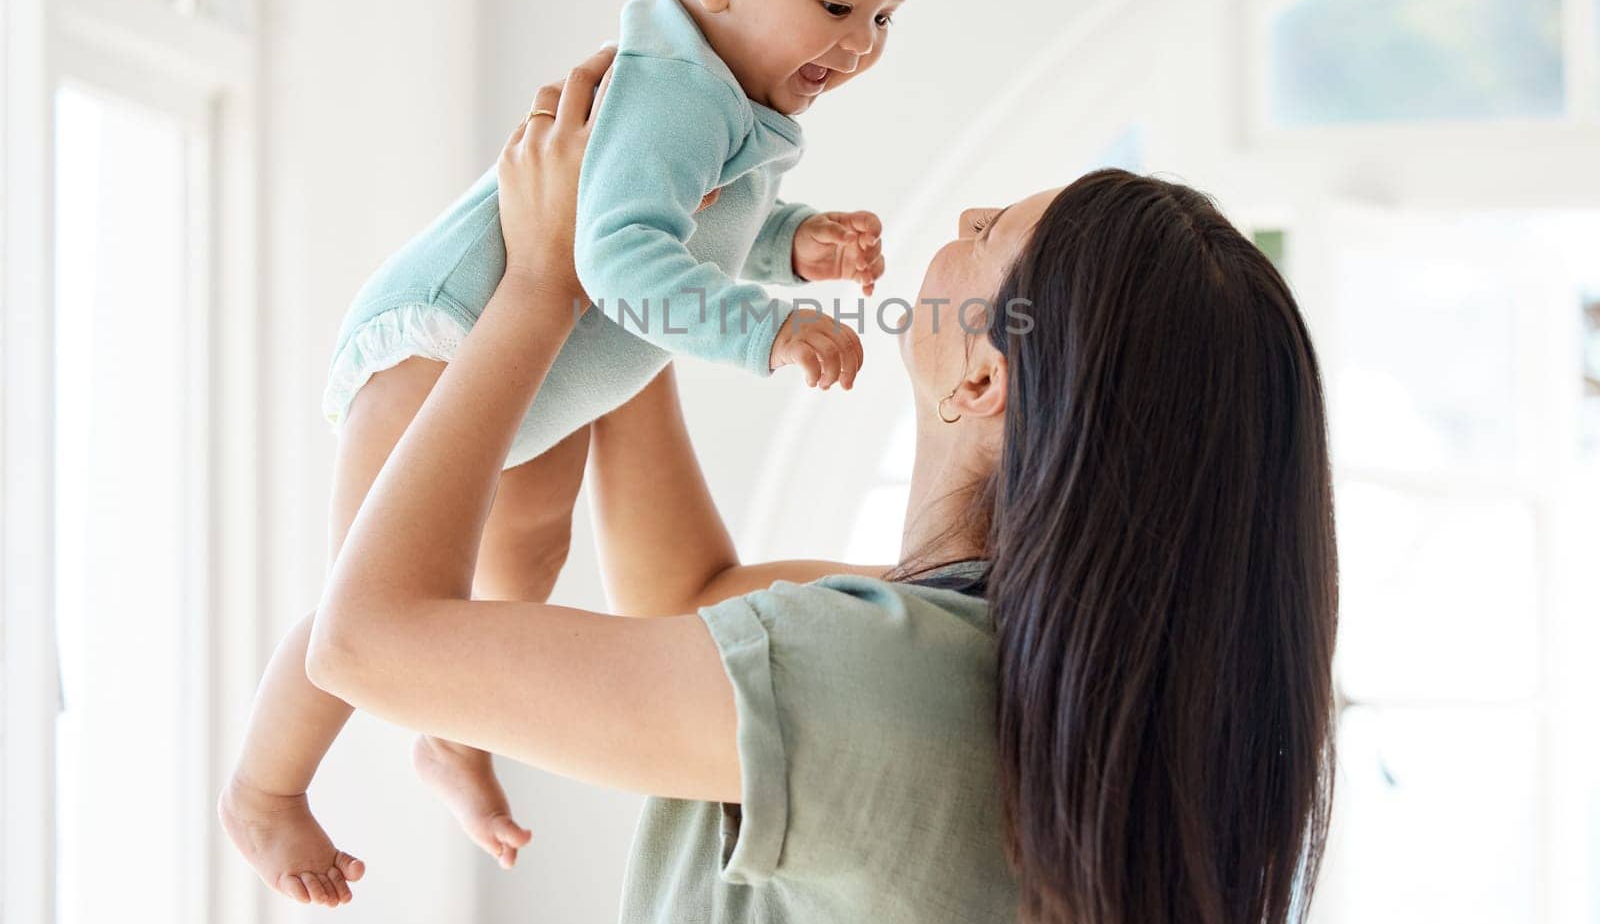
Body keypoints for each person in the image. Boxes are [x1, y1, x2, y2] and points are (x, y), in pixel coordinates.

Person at [302, 49, 1340, 922]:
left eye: (985, 235)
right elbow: (688, 592)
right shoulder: (983, 651)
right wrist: (629, 255)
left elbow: (365, 641)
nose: (967, 212)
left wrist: (535, 286)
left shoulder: (867, 672)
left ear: (982, 374)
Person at [220, 0, 924, 900]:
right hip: (439, 344)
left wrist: (794, 244)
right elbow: (622, 259)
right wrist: (769, 326)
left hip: (551, 370)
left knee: (522, 567)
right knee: (380, 596)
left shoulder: (738, 99)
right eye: (839, 7)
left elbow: (708, 222)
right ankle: (264, 789)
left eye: (885, 16)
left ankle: (454, 730)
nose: (862, 43)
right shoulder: (673, 94)